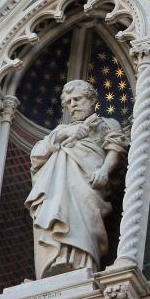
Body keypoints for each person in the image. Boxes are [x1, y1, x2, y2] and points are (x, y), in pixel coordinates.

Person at [26, 80, 127, 277]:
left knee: (85, 218)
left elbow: (115, 149)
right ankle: (56, 260)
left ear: (92, 100)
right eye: (68, 102)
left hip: (88, 183)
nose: (72, 104)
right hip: (58, 187)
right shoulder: (60, 130)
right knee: (56, 212)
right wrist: (63, 134)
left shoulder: (107, 124)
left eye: (77, 99)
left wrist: (104, 170)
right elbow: (37, 156)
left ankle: (83, 262)